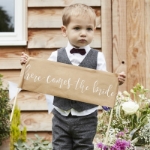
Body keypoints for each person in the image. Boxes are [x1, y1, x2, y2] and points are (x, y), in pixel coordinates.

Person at [20, 3, 126, 150]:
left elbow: (103, 83)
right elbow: (43, 73)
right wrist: (28, 63)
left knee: (84, 147)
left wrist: (116, 82)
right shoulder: (56, 55)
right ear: (64, 31)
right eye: (77, 28)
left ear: (94, 30)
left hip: (87, 116)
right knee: (60, 146)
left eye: (88, 29)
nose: (83, 33)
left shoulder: (98, 57)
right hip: (61, 115)